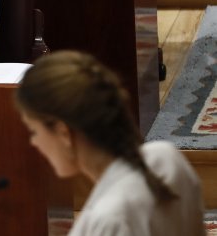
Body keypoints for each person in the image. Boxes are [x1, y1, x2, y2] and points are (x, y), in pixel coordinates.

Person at [15, 51, 205, 236]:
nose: (34, 143)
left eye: (34, 131)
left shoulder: (107, 220)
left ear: (63, 132)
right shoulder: (167, 157)